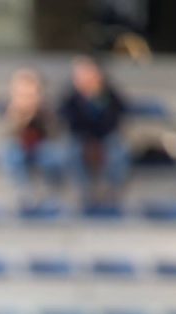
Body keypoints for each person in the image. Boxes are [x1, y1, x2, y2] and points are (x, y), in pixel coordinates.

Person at [58, 56, 129, 207]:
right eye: (80, 75)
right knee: (72, 151)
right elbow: (70, 121)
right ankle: (84, 193)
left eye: (89, 73)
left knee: (119, 151)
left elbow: (116, 118)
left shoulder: (110, 95)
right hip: (81, 137)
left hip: (106, 136)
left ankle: (112, 192)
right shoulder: (70, 98)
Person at [0, 69, 63, 201]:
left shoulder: (47, 110)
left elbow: (54, 133)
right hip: (20, 149)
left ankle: (52, 193)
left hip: (42, 148)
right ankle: (25, 193)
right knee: (12, 152)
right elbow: (7, 134)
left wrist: (35, 113)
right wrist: (20, 117)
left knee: (53, 155)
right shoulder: (10, 111)